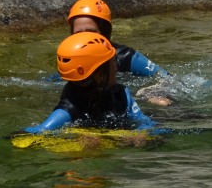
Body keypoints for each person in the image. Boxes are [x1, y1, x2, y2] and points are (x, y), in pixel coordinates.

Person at [24, 32, 156, 134]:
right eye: (113, 61)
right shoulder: (68, 110)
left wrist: (143, 134)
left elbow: (144, 122)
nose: (117, 67)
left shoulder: (121, 93)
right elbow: (38, 132)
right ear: (99, 75)